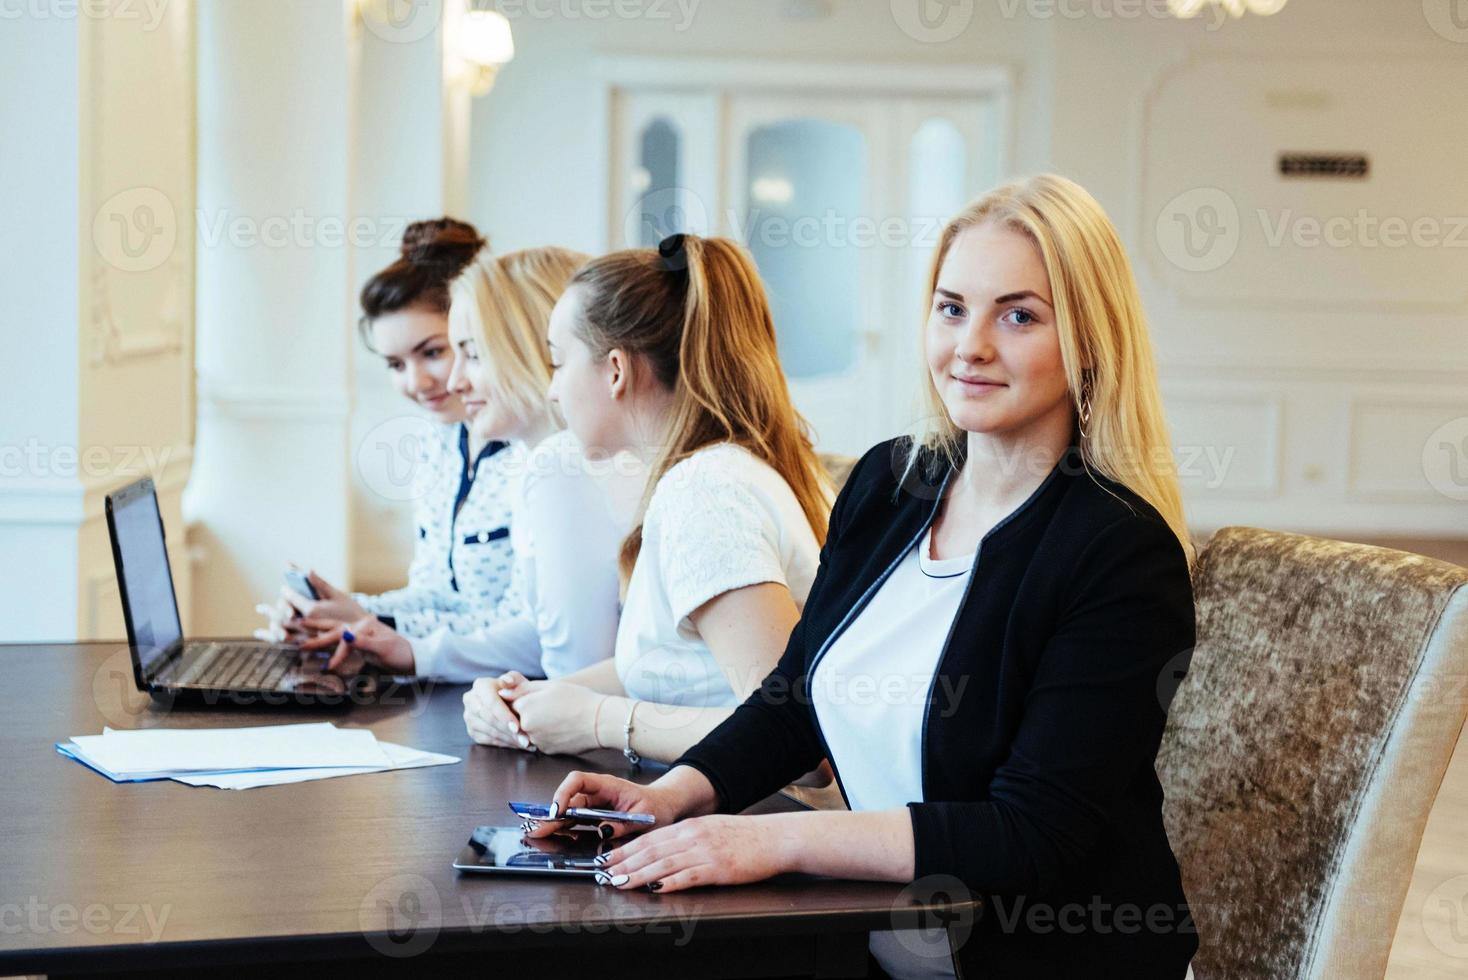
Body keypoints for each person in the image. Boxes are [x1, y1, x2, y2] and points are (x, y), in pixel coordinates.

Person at [527, 176, 1199, 980]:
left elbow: (1030, 833)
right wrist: (673, 795)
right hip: (870, 947)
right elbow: (794, 699)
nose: (971, 345)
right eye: (951, 308)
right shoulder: (893, 482)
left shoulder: (1117, 550)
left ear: (1089, 338)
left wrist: (769, 839)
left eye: (1018, 315)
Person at [460, 234, 835, 766]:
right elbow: (669, 665)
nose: (552, 391)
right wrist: (527, 701)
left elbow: (797, 739)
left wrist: (599, 721)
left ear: (615, 370)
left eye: (558, 363)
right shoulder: (703, 478)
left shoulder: (706, 494)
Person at [303, 246, 642, 687]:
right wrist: (379, 629)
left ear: (526, 346)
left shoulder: (561, 467)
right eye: (395, 364)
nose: (452, 381)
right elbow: (536, 630)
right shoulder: (497, 453)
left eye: (472, 354)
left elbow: (570, 665)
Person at [256, 218, 524, 644]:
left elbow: (523, 631)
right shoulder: (438, 442)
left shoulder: (534, 452)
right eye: (396, 365)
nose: (416, 383)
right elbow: (438, 595)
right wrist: (340, 612)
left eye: (433, 352)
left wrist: (371, 625)